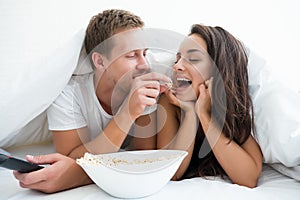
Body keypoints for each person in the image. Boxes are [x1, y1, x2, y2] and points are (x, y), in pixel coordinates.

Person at [13, 9, 171, 193]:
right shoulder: (70, 95)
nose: (144, 64)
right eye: (131, 55)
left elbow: (144, 159)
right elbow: (70, 159)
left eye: (144, 53)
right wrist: (128, 113)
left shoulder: (145, 84)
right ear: (100, 61)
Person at [156, 24, 263, 188]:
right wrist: (190, 114)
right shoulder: (169, 103)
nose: (177, 66)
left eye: (193, 59)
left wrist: (204, 116)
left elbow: (248, 178)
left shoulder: (231, 110)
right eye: (177, 59)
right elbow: (172, 173)